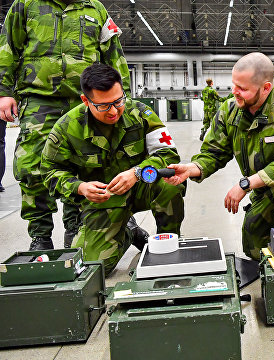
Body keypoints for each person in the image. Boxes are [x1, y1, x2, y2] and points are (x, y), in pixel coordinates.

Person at [165, 53, 274, 260]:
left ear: (266, 88)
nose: (234, 93)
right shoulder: (230, 110)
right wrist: (193, 168)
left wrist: (245, 185)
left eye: (243, 89)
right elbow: (214, 152)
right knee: (255, 247)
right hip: (265, 181)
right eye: (234, 85)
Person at [0, 0, 130, 250]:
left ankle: (75, 228)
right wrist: (4, 91)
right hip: (39, 99)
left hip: (85, 102)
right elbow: (7, 47)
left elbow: (113, 54)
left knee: (83, 164)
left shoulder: (96, 9)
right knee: (30, 167)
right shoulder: (26, 4)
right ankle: (40, 236)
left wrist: (122, 98)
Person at [41, 64, 185, 275]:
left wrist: (137, 173)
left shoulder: (141, 113)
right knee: (93, 268)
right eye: (104, 105)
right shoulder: (67, 127)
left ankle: (166, 245)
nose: (114, 110)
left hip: (140, 187)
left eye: (119, 101)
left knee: (170, 183)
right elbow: (49, 171)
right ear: (86, 101)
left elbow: (168, 155)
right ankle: (129, 230)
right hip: (103, 199)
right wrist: (80, 188)